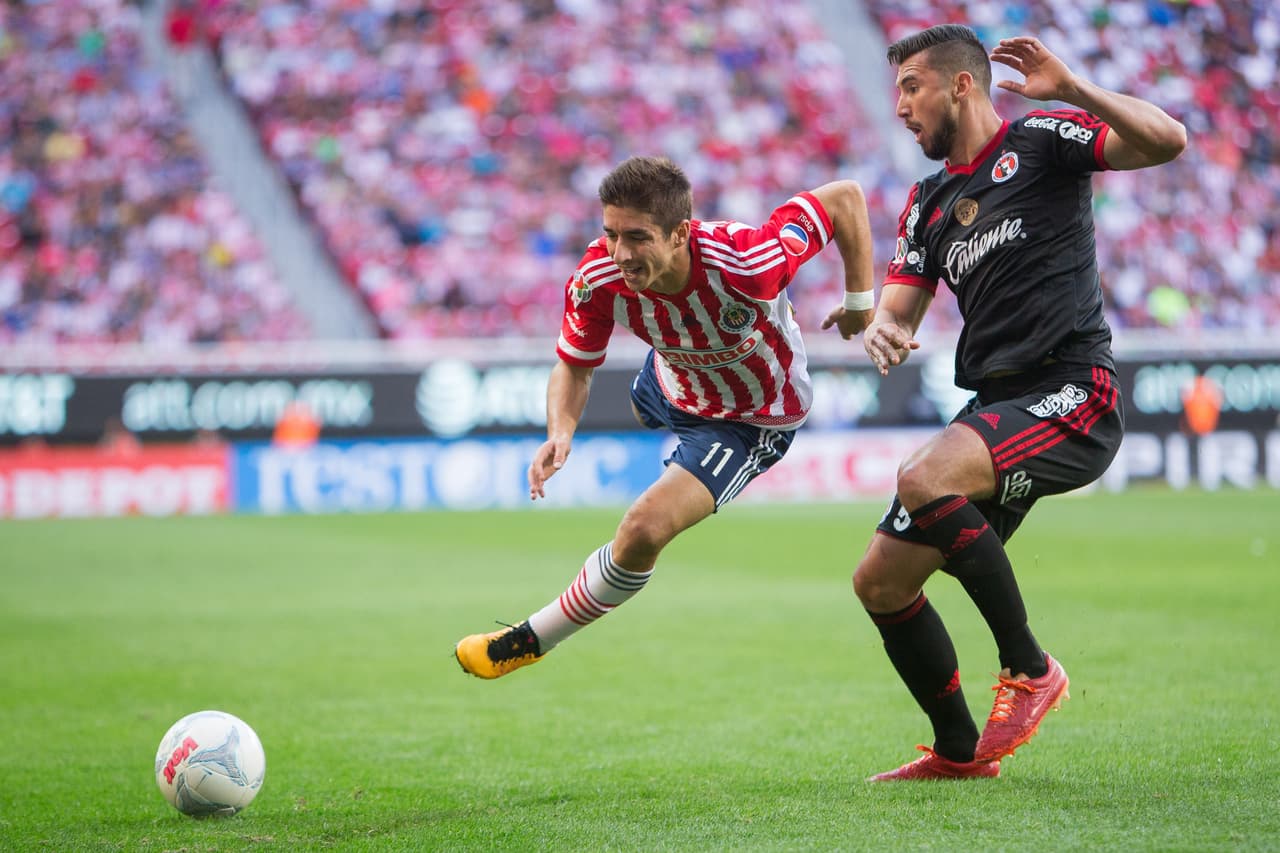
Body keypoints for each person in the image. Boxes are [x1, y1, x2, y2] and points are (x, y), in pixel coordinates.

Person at [853, 26, 1186, 781]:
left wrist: (1073, 88)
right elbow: (899, 308)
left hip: (1075, 389)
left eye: (911, 87)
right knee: (881, 581)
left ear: (961, 85)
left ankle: (1030, 667)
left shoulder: (1041, 139)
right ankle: (959, 753)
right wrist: (882, 328)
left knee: (923, 476)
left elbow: (1168, 140)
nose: (900, 106)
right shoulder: (928, 202)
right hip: (998, 405)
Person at [455, 155, 876, 678]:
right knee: (643, 402)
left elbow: (844, 197)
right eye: (611, 234)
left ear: (680, 233)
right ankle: (655, 399)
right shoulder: (597, 276)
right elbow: (574, 366)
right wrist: (560, 432)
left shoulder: (749, 261)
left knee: (642, 530)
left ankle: (531, 639)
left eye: (637, 238)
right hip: (671, 383)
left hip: (750, 418)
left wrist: (860, 301)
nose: (621, 253)